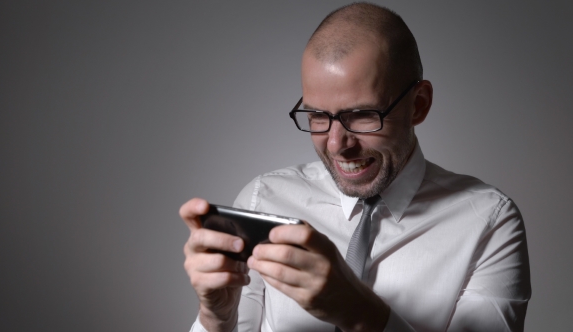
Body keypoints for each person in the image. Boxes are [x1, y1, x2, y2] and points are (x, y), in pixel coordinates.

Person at [181, 3, 531, 331]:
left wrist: (359, 311)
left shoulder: (488, 222)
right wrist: (216, 319)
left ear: (418, 105)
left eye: (363, 115)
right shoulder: (263, 199)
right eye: (318, 115)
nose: (337, 145)